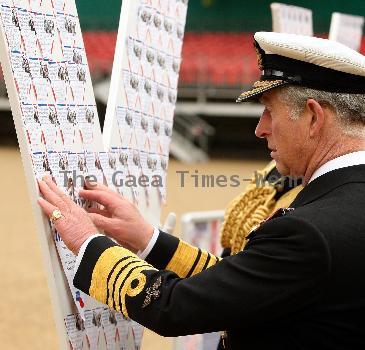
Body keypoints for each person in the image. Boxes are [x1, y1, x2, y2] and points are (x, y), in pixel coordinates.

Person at [38, 32, 365, 349]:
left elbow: (175, 306)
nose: (260, 129)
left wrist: (86, 241)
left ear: (313, 117)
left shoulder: (306, 234)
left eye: (269, 111)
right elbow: (244, 286)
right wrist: (148, 240)